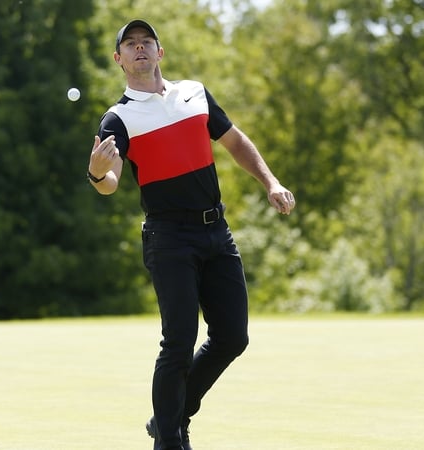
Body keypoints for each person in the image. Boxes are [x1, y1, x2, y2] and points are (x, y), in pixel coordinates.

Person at [86, 19, 296, 450]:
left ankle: (172, 415)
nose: (140, 48)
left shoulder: (195, 93)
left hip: (216, 230)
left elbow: (235, 141)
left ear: (160, 53)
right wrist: (95, 173)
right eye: (131, 45)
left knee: (233, 337)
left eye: (147, 42)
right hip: (168, 238)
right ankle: (169, 440)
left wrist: (271, 182)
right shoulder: (118, 118)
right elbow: (111, 181)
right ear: (119, 60)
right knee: (179, 343)